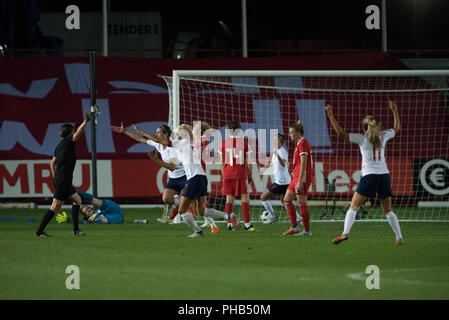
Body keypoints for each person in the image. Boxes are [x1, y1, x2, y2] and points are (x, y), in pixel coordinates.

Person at [325, 101, 403, 245]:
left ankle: (345, 233)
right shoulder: (384, 135)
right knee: (388, 210)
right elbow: (397, 128)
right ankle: (399, 237)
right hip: (384, 176)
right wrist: (395, 111)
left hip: (370, 176)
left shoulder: (362, 139)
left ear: (364, 127)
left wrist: (330, 116)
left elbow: (341, 133)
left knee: (353, 207)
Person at [145, 123, 229, 237]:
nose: (174, 136)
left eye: (176, 134)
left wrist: (157, 158)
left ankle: (200, 229)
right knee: (201, 208)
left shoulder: (186, 142)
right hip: (199, 175)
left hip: (194, 176)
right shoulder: (190, 142)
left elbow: (164, 143)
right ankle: (223, 218)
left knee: (185, 207)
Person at [111, 123, 186, 224]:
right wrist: (125, 131)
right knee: (166, 198)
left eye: (158, 133)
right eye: (156, 133)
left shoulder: (172, 148)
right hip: (173, 178)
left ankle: (204, 219)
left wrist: (156, 160)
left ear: (165, 135)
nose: (156, 135)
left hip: (184, 176)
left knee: (200, 205)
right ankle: (185, 204)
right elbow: (140, 139)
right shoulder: (159, 145)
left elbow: (172, 167)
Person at [34, 113, 91, 237]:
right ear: (70, 132)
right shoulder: (68, 142)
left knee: (77, 200)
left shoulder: (59, 145)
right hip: (63, 179)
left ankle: (76, 230)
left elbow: (52, 163)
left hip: (61, 179)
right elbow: (78, 134)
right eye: (73, 131)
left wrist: (55, 177)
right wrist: (86, 122)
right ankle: (39, 232)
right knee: (54, 207)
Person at [219, 121, 254, 231]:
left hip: (227, 174)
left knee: (229, 199)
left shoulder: (223, 144)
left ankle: (229, 224)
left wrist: (223, 175)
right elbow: (249, 163)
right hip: (240, 173)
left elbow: (221, 163)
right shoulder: (244, 143)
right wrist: (250, 175)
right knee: (245, 199)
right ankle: (247, 225)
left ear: (229, 131)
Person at [260, 134, 301, 224]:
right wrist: (267, 166)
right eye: (273, 140)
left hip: (281, 182)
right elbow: (274, 164)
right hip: (283, 181)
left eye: (275, 140)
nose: (273, 142)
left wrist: (277, 155)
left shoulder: (282, 151)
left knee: (263, 197)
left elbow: (283, 163)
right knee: (285, 201)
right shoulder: (276, 151)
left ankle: (273, 216)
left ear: (280, 142)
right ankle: (298, 218)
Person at [283, 121, 313, 236]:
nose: (290, 135)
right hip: (296, 177)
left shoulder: (303, 144)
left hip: (301, 178)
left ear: (298, 133)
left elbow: (304, 162)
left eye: (291, 133)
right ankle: (295, 227)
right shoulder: (299, 143)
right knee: (287, 200)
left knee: (301, 202)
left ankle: (307, 230)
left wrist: (300, 180)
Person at [55, 190, 123, 224]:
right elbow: (83, 222)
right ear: (86, 215)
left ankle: (74, 191)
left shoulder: (97, 211)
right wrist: (69, 220)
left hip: (113, 209)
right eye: (86, 212)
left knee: (96, 202)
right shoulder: (91, 219)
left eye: (88, 208)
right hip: (115, 218)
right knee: (102, 219)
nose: (88, 210)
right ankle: (72, 191)